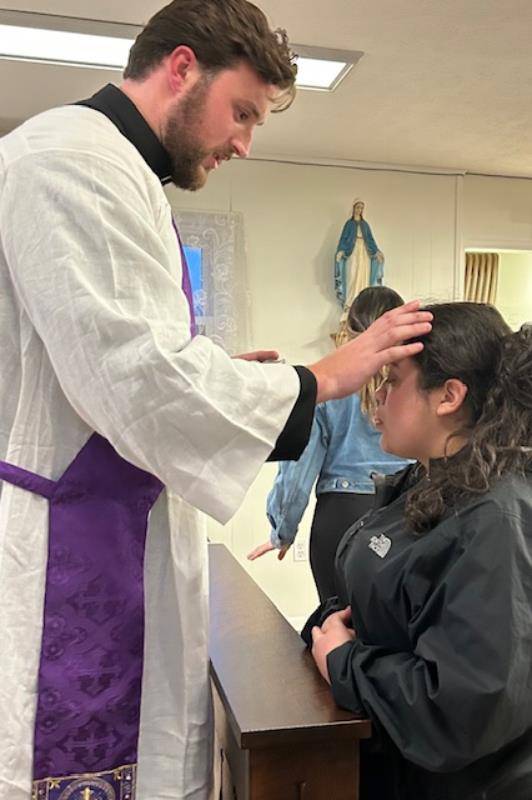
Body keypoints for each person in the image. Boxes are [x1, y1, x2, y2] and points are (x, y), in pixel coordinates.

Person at [0, 1, 433, 798]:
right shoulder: (72, 162)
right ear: (181, 69)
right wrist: (319, 378)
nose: (244, 142)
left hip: (110, 515)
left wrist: (219, 372)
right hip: (72, 541)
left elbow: (103, 363)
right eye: (242, 113)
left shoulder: (117, 170)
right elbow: (139, 376)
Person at [305, 303, 532, 800]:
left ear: (449, 395)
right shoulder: (426, 480)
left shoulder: (495, 517)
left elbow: (463, 709)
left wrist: (345, 663)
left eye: (392, 381)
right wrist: (328, 627)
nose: (377, 397)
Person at [248, 287, 410, 602]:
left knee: (334, 624)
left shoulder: (328, 387)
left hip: (340, 516)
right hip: (406, 513)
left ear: (347, 334)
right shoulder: (418, 387)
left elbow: (298, 470)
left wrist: (282, 530)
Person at [334, 199, 385, 314]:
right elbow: (343, 239)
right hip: (352, 252)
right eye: (358, 207)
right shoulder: (349, 224)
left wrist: (377, 252)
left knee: (363, 275)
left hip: (364, 252)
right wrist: (341, 251)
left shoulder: (365, 225)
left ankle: (362, 302)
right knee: (352, 274)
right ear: (353, 208)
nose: (359, 210)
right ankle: (350, 302)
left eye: (361, 208)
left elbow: (370, 240)